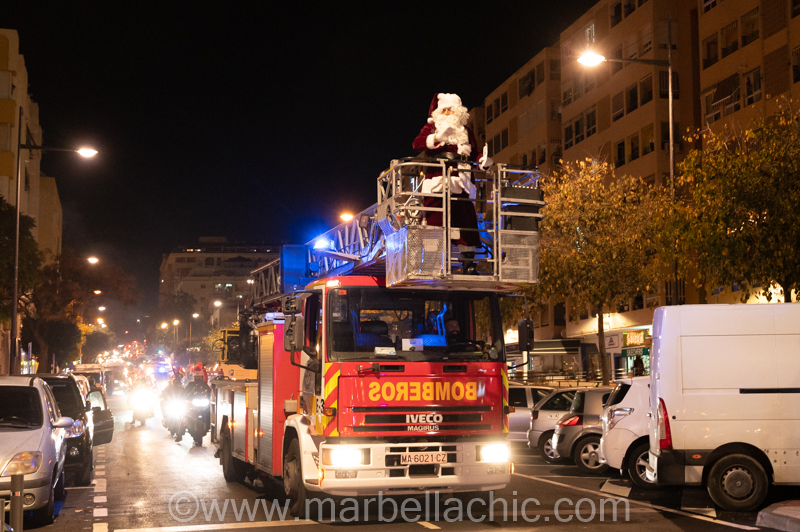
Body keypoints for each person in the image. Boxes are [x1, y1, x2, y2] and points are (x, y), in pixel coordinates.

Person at [412, 93, 493, 274]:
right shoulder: (432, 127)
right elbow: (416, 144)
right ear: (439, 112)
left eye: (451, 109)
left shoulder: (466, 130)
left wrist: (483, 161)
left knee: (466, 220)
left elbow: (475, 152)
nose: (447, 113)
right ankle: (433, 261)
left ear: (457, 112)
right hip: (437, 178)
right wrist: (438, 137)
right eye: (444, 110)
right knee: (434, 219)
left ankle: (468, 263)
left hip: (461, 178)